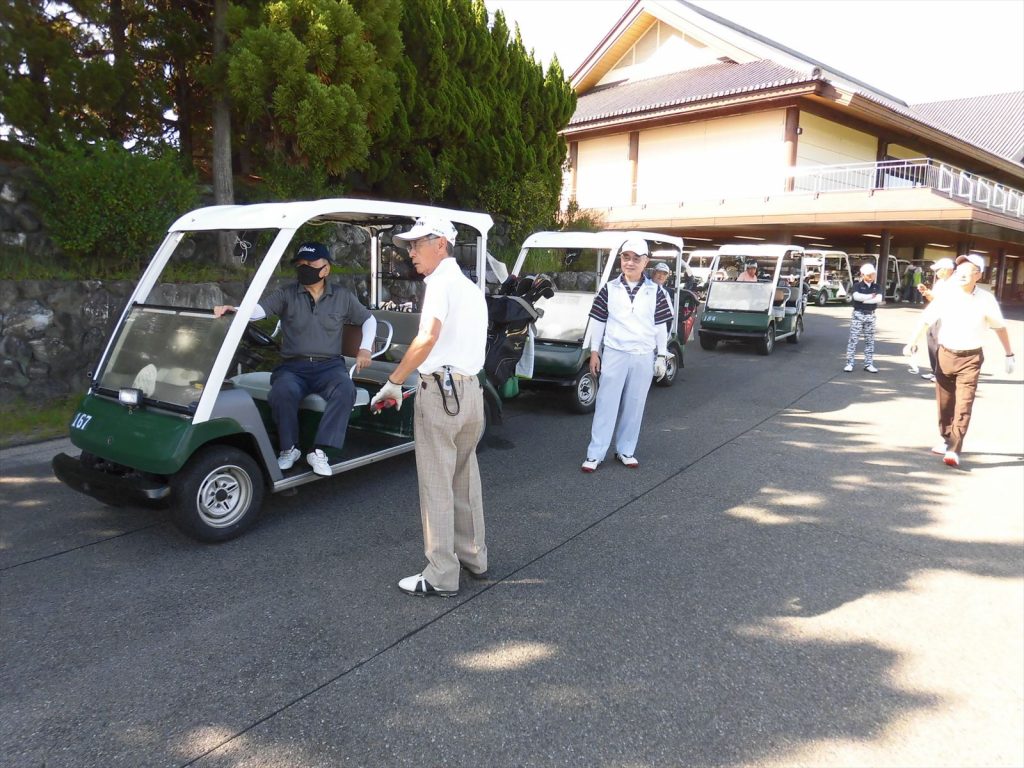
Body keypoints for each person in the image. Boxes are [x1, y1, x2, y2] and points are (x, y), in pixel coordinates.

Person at [369, 218, 488, 598]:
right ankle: (474, 558)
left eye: (417, 244)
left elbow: (427, 338)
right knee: (465, 479)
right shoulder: (470, 287)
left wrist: (394, 380)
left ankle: (441, 575)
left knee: (437, 485)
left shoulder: (439, 284)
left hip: (441, 393)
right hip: (471, 392)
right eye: (409, 246)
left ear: (441, 244)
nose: (411, 252)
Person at [214, 242, 376, 476]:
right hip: (293, 367)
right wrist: (235, 310)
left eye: (310, 263)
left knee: (345, 390)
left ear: (326, 269)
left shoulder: (342, 296)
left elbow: (368, 320)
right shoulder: (287, 293)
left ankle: (320, 450)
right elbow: (259, 311)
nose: (304, 268)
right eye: (300, 264)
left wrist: (365, 349)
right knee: (282, 391)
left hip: (329, 366)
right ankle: (289, 448)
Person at [903, 254, 1015, 468]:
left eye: (968, 271)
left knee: (964, 404)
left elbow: (1000, 327)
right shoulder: (946, 294)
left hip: (971, 358)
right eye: (959, 271)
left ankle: (954, 449)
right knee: (945, 403)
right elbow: (926, 320)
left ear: (978, 275)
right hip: (945, 354)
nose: (961, 274)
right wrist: (911, 343)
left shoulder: (986, 299)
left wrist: (1009, 354)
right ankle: (947, 439)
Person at [580, 238, 673, 472]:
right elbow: (598, 320)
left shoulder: (656, 291)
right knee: (605, 403)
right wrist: (594, 351)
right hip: (615, 352)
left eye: (636, 258)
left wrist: (661, 355)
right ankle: (595, 453)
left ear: (645, 262)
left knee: (635, 404)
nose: (630, 262)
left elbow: (660, 325)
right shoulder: (609, 288)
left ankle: (626, 450)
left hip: (643, 354)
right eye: (626, 257)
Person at [915, 257, 956, 381]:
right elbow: (934, 299)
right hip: (935, 316)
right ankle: (935, 371)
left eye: (938, 269)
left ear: (947, 269)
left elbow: (945, 301)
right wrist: (926, 292)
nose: (936, 272)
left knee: (941, 345)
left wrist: (929, 293)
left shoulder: (955, 283)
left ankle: (941, 373)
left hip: (947, 318)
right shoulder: (940, 283)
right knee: (932, 343)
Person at [844, 262, 883, 373]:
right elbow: (857, 297)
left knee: (870, 341)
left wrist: (864, 299)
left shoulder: (877, 286)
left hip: (871, 314)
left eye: (873, 274)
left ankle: (868, 364)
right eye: (868, 275)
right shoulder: (857, 285)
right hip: (858, 314)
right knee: (853, 339)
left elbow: (878, 299)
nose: (871, 277)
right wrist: (870, 296)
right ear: (862, 275)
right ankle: (849, 363)